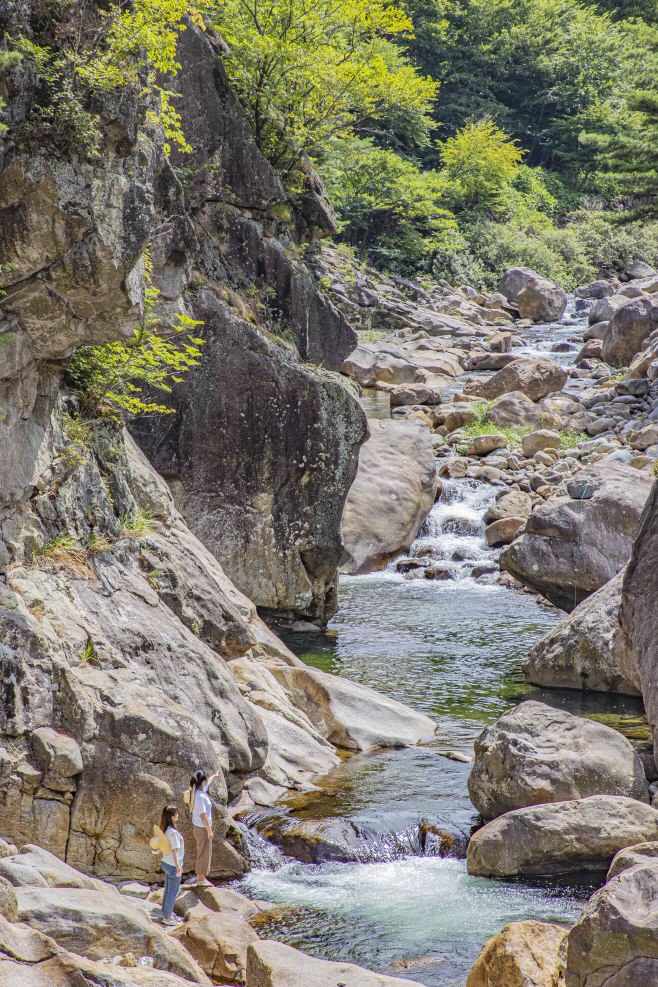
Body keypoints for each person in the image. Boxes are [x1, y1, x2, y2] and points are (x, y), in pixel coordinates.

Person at [186, 768, 221, 888]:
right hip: (202, 828)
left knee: (204, 852)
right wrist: (209, 830)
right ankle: (200, 879)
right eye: (206, 781)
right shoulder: (200, 796)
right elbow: (203, 815)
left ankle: (202, 877)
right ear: (203, 782)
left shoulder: (198, 791)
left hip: (200, 827)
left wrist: (214, 776)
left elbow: (208, 783)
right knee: (203, 853)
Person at [157, 805, 185, 926]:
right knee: (172, 892)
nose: (178, 816)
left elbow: (164, 845)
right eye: (176, 814)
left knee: (168, 890)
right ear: (173, 817)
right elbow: (174, 850)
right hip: (173, 866)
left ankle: (166, 912)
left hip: (166, 863)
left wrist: (158, 852)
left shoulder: (166, 829)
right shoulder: (173, 833)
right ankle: (167, 918)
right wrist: (178, 867)